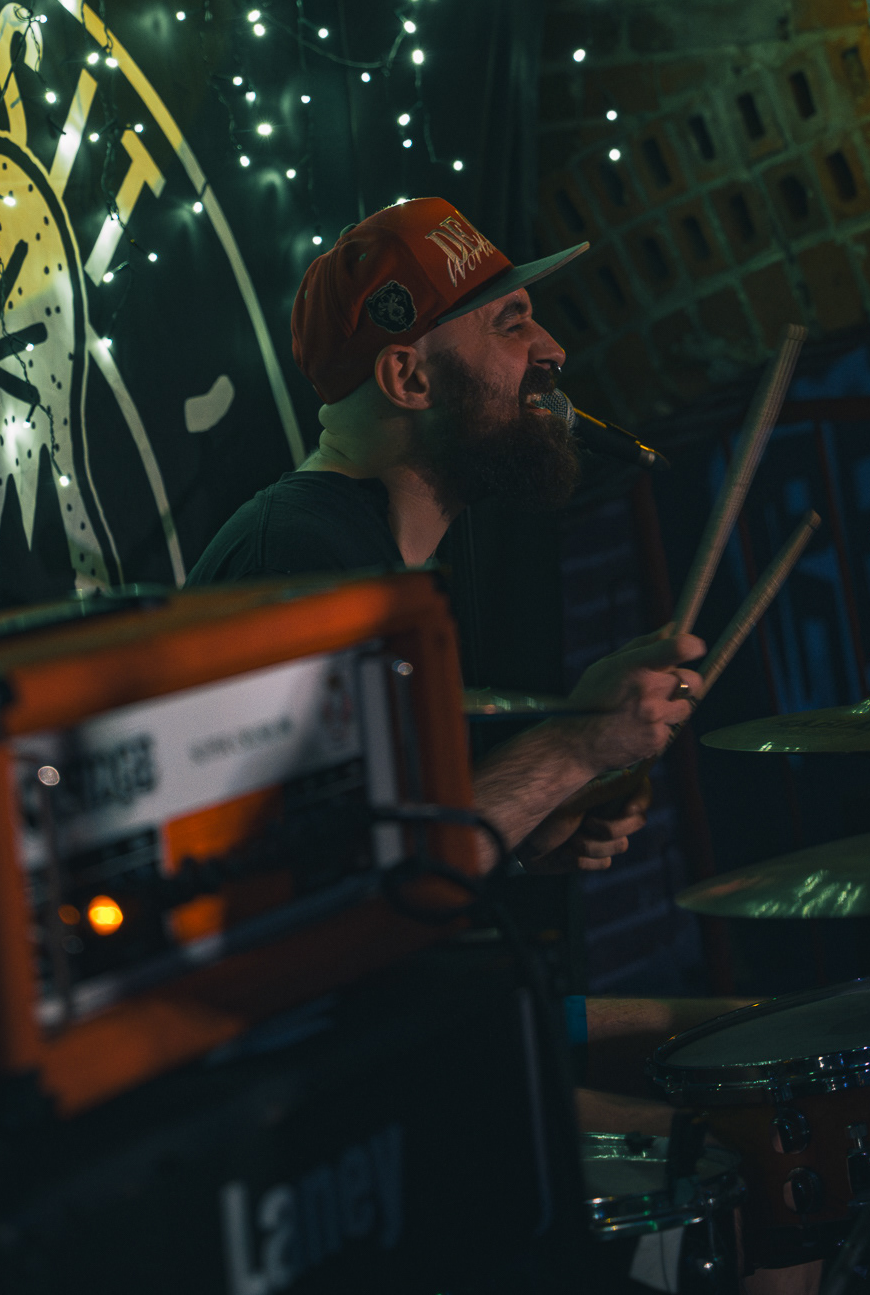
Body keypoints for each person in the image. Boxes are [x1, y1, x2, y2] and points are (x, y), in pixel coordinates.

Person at [189, 198, 816, 1294]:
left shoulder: (396, 569)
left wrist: (539, 823)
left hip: (444, 1029)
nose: (553, 349)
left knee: (782, 1057)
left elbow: (417, 843)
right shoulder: (303, 569)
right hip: (352, 1093)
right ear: (408, 377)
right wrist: (574, 748)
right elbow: (352, 904)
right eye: (511, 323)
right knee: (772, 1145)